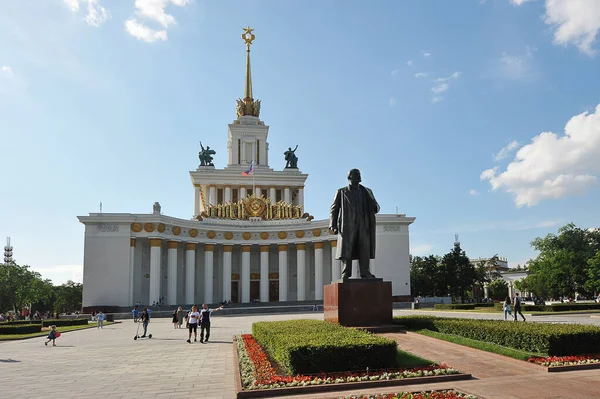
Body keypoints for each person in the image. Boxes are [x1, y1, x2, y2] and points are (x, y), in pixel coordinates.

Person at [329, 168, 380, 279]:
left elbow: (376, 207)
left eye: (359, 174)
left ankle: (365, 272)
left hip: (364, 223)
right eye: (356, 174)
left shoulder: (367, 191)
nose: (359, 176)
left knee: (364, 248)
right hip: (348, 224)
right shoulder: (342, 191)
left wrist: (375, 206)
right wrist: (333, 224)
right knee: (347, 248)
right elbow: (334, 208)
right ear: (350, 177)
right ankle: (346, 273)